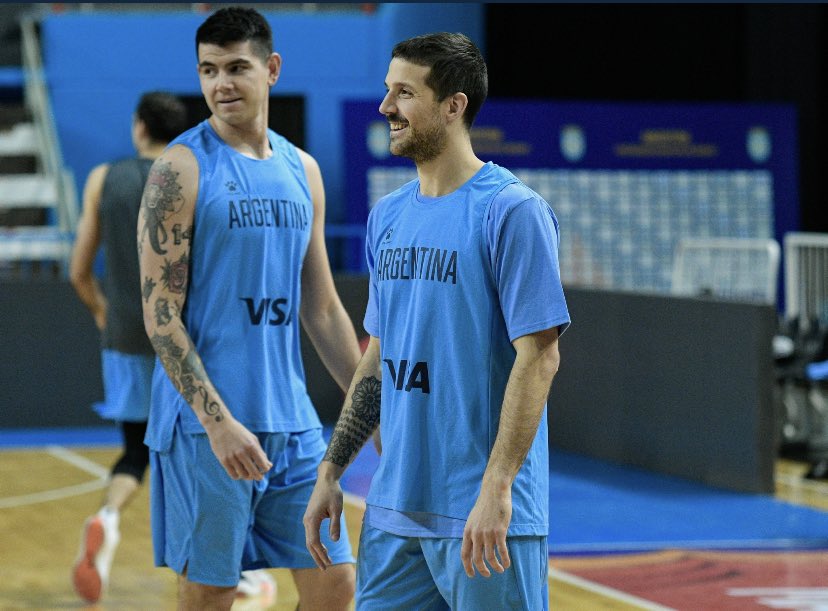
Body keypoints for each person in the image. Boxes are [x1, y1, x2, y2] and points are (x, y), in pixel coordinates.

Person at [304, 32, 570, 610]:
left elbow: (540, 356)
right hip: (396, 511)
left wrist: (497, 488)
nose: (386, 108)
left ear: (454, 105)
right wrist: (332, 468)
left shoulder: (512, 211)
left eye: (405, 93)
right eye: (387, 90)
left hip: (483, 517)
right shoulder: (389, 216)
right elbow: (377, 355)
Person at [137, 7, 360, 610]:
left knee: (335, 584)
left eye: (237, 67)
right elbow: (160, 317)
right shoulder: (179, 170)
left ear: (273, 69)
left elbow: (324, 310)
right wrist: (217, 422)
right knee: (210, 593)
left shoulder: (302, 169)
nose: (221, 84)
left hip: (293, 423)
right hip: (206, 426)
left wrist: (376, 409)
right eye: (208, 70)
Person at [69, 91, 190, 604]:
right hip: (185, 339)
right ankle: (225, 565)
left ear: (139, 126)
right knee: (198, 458)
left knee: (135, 450)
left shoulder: (102, 177)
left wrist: (104, 315)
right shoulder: (191, 175)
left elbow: (78, 272)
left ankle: (108, 517)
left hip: (123, 335)